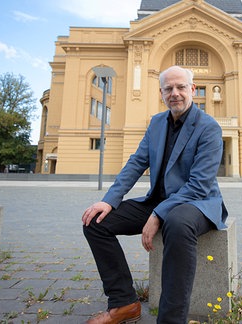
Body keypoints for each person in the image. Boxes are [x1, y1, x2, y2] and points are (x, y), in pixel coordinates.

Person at [82, 65, 227, 324]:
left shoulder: (209, 127)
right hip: (157, 201)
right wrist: (109, 200)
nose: (175, 93)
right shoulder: (157, 123)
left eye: (181, 87)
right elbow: (137, 162)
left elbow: (199, 184)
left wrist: (159, 214)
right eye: (168, 88)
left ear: (192, 89)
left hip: (198, 203)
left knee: (178, 222)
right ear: (161, 93)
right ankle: (124, 303)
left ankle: (171, 320)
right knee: (95, 221)